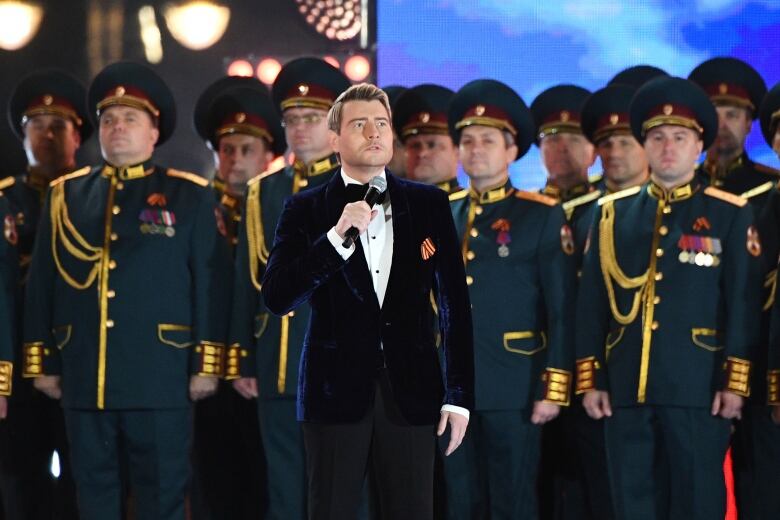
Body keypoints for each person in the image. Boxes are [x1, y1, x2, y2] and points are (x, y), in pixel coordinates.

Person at [22, 61, 231, 520]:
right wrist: (42, 361)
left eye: (130, 119)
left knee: (163, 497)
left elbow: (210, 283)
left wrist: (207, 363)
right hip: (84, 375)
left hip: (162, 375)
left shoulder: (189, 195)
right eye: (109, 120)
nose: (117, 128)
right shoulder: (66, 195)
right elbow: (41, 286)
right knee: (93, 496)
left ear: (154, 132)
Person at [260, 83, 474, 519]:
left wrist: (458, 396)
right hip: (333, 390)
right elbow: (278, 296)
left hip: (412, 390)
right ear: (334, 138)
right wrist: (336, 240)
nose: (374, 133)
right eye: (360, 125)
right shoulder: (304, 208)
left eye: (382, 124)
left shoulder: (430, 203)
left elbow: (454, 306)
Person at [576, 76, 761, 520]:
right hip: (625, 386)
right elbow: (591, 305)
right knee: (632, 501)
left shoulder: (729, 213)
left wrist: (735, 382)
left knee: (697, 500)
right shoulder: (610, 214)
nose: (668, 147)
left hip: (697, 386)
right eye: (657, 138)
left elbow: (741, 303)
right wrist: (591, 378)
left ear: (700, 145)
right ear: (644, 146)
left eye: (680, 137)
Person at [441, 78, 575, 519]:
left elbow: (560, 307)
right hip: (451, 388)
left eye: (487, 141)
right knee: (460, 500)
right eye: (467, 140)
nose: (475, 149)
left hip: (515, 383)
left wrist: (553, 386)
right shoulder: (443, 212)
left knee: (513, 501)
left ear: (512, 151)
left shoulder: (540, 213)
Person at [227, 57, 351, 519]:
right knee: (283, 489)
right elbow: (247, 281)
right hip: (277, 364)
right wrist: (241, 354)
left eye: (312, 118)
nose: (300, 129)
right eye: (293, 119)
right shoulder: (263, 190)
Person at [191, 75, 286, 519]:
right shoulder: (191, 207)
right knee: (212, 478)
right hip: (206, 368)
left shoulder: (282, 205)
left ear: (270, 154)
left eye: (247, 150)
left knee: (267, 477)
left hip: (262, 364)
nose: (235, 160)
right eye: (226, 149)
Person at [0, 68, 89, 519]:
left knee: (85, 477)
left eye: (59, 126)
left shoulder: (93, 198)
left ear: (78, 137)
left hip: (81, 359)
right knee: (19, 478)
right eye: (37, 125)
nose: (48, 135)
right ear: (22, 136)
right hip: (14, 364)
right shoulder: (4, 201)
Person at [392, 84, 461, 194]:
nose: (422, 153)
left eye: (432, 145)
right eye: (415, 146)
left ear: (457, 151)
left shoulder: (469, 209)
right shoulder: (387, 208)